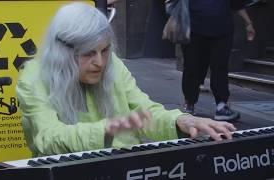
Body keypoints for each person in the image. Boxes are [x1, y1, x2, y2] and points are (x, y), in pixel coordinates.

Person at [16, 2, 236, 157]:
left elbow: (144, 110)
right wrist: (108, 130)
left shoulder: (114, 65)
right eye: (88, 53)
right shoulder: (33, 78)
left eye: (104, 50)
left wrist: (180, 121)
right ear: (61, 53)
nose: (100, 62)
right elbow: (48, 138)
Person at [181, 1, 255, 121]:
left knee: (219, 67)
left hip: (222, 31)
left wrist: (248, 23)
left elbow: (237, 4)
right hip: (194, 30)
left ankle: (221, 106)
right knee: (192, 66)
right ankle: (190, 102)